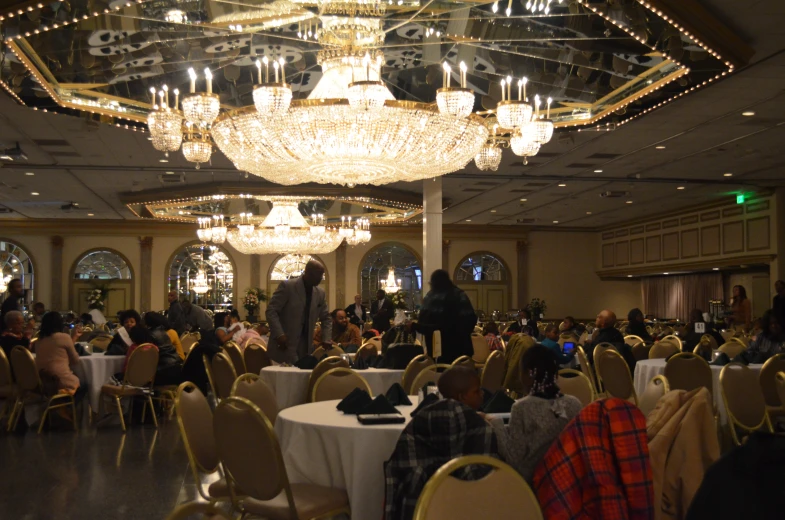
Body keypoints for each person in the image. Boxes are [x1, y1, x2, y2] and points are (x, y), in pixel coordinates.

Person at [490, 345, 581, 482]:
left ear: (528, 373)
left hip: (533, 483)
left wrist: (495, 424)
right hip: (569, 478)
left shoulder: (522, 407)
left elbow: (514, 460)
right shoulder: (574, 404)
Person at [266, 259, 331, 363]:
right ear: (308, 272)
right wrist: (279, 334)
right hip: (284, 345)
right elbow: (271, 311)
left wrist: (326, 338)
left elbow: (326, 318)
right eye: (318, 274)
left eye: (322, 275)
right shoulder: (287, 286)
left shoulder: (320, 293)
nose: (320, 278)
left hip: (306, 348)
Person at [407, 269, 477, 363]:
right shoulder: (459, 295)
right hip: (462, 349)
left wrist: (414, 326)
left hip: (438, 350)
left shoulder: (430, 298)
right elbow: (471, 320)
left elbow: (424, 323)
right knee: (461, 376)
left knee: (439, 376)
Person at [34, 311, 85, 403]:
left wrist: (73, 338)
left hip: (43, 380)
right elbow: (75, 360)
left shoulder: (38, 340)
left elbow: (57, 351)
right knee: (85, 385)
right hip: (59, 380)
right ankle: (66, 408)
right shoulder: (64, 337)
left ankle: (59, 406)